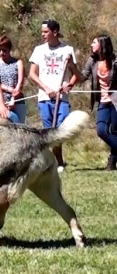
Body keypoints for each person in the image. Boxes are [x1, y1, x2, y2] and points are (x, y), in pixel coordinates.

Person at [28, 19, 80, 172]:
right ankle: (55, 163)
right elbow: (32, 74)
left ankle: (59, 161)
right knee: (49, 131)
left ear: (55, 32)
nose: (42, 34)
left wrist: (69, 84)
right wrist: (46, 88)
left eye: (45, 31)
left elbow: (76, 75)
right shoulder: (39, 50)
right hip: (45, 97)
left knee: (60, 129)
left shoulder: (67, 50)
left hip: (61, 97)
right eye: (42, 31)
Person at [80, 34, 117, 170]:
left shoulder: (115, 61)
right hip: (102, 101)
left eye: (94, 42)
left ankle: (112, 163)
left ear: (101, 44)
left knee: (115, 131)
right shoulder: (92, 61)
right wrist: (71, 65)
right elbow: (83, 76)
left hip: (115, 100)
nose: (91, 45)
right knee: (101, 131)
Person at [0, 35, 26, 124]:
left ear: (9, 49)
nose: (1, 53)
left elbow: (20, 82)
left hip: (18, 100)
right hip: (3, 102)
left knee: (20, 126)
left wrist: (13, 98)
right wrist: (9, 89)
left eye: (4, 50)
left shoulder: (18, 63)